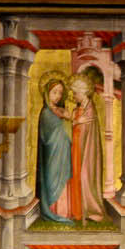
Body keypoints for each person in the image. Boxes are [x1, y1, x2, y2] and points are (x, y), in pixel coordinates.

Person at [68, 71, 107, 222]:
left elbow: (87, 128)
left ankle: (91, 210)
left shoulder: (90, 109)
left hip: (87, 150)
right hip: (76, 148)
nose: (73, 96)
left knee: (85, 176)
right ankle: (78, 210)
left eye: (75, 93)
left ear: (83, 92)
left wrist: (76, 122)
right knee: (76, 176)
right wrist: (74, 122)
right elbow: (74, 124)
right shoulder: (78, 109)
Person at [36, 73, 74, 221]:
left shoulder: (60, 110)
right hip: (52, 155)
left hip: (64, 154)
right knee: (52, 181)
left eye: (60, 93)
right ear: (47, 93)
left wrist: (67, 118)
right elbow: (48, 137)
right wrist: (63, 120)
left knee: (63, 181)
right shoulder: (46, 113)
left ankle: (64, 211)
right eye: (54, 92)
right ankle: (53, 210)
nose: (58, 96)